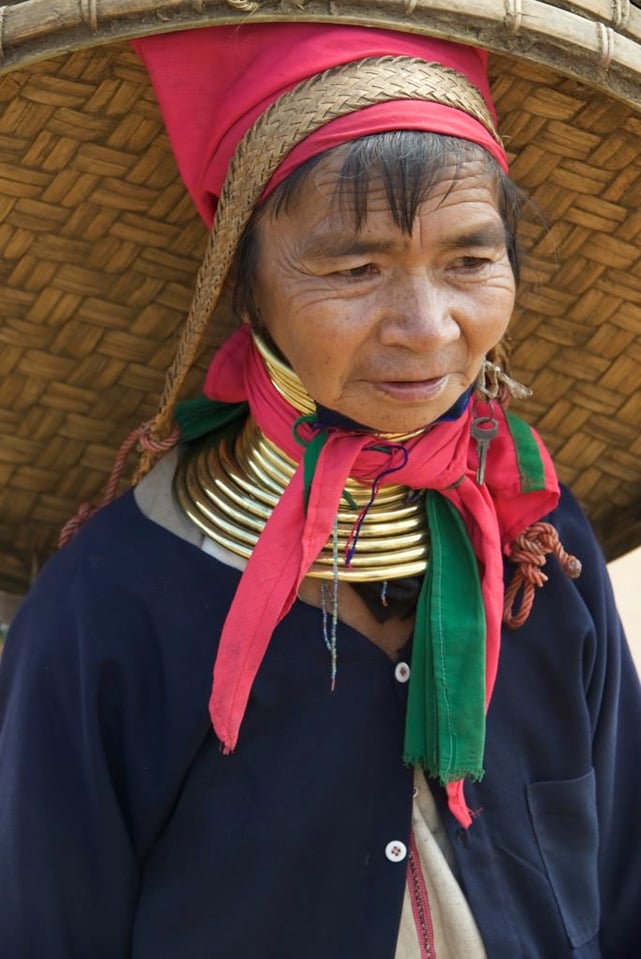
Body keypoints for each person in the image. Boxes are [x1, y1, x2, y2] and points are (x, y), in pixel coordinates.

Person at [1, 21, 640, 959]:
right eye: (354, 267)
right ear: (242, 285)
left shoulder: (541, 544)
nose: (427, 330)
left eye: (469, 260)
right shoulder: (109, 609)